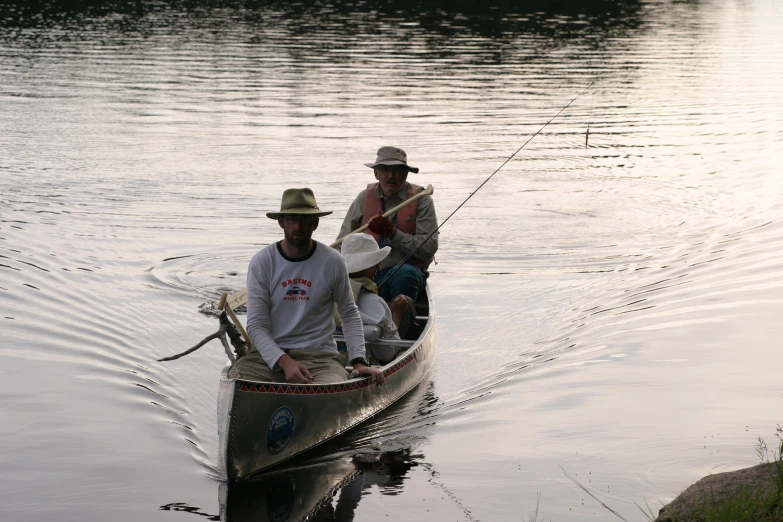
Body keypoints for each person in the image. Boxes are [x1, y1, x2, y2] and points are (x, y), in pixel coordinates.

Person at [229, 188, 384, 385]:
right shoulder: (262, 262)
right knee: (237, 382)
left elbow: (349, 314)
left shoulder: (333, 261)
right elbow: (256, 326)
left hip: (320, 358)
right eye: (292, 219)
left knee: (329, 389)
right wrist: (284, 362)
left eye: (305, 219)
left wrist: (359, 361)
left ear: (315, 223)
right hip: (266, 358)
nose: (298, 226)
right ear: (281, 222)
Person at [337, 146, 438, 303]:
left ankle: (401, 323)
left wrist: (392, 233)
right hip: (368, 273)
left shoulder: (422, 200)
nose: (391, 175)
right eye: (385, 169)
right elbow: (342, 243)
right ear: (376, 173)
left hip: (406, 272)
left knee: (404, 274)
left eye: (397, 170)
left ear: (405, 173)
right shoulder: (364, 198)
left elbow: (428, 249)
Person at [339, 233, 416, 340]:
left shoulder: (326, 290)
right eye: (375, 263)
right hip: (370, 354)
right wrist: (397, 312)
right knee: (407, 301)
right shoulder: (374, 302)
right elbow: (392, 345)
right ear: (366, 266)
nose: (379, 268)